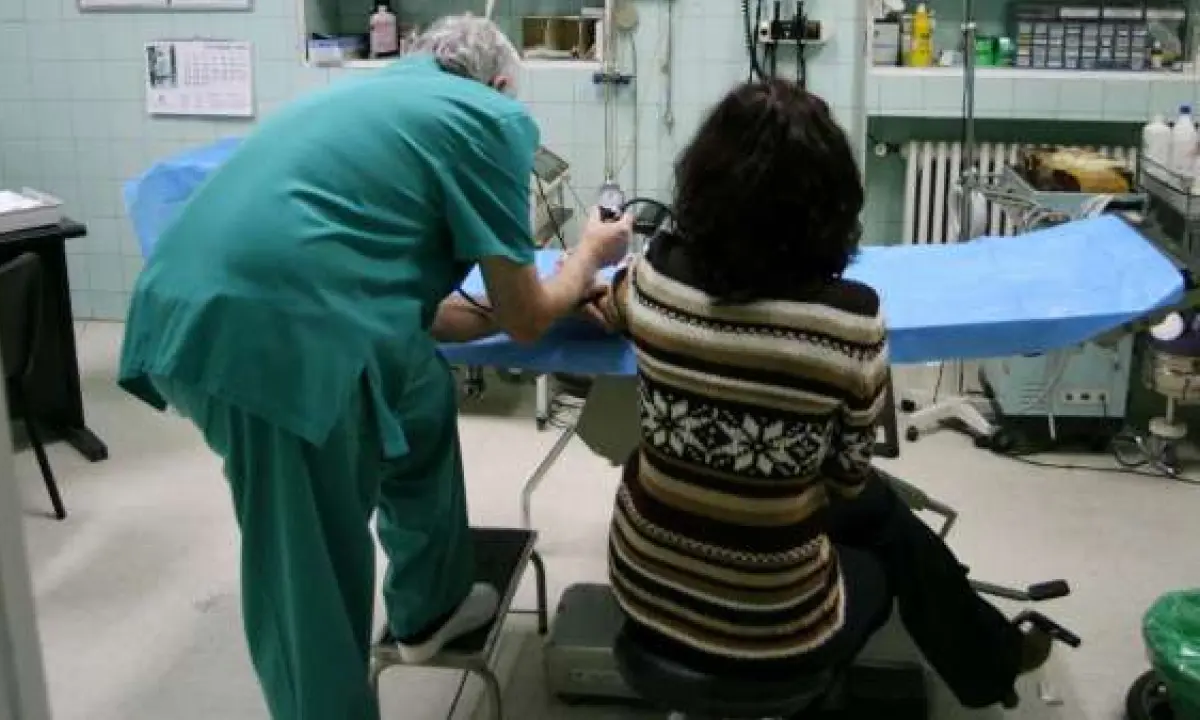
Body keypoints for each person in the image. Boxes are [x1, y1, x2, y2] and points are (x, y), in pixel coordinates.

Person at [117, 16, 632, 720]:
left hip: (200, 299)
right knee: (310, 565)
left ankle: (432, 605)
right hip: (269, 340)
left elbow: (421, 311)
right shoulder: (493, 116)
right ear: (500, 83)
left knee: (418, 391)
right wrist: (588, 259)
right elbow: (522, 319)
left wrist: (551, 297)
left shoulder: (366, 96)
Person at [589, 79, 1052, 709]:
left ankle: (991, 654)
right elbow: (845, 480)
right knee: (883, 532)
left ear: (700, 184)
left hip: (643, 589)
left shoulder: (654, 278)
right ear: (832, 205)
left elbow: (611, 304)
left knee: (874, 514)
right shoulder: (849, 323)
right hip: (777, 630)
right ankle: (988, 662)